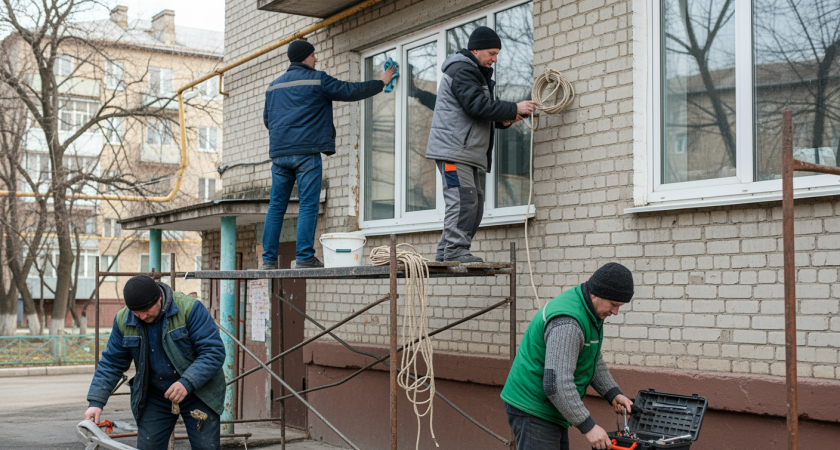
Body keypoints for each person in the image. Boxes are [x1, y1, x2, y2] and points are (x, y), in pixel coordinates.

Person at [261, 40, 397, 270]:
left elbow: (268, 120)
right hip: (306, 154)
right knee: (308, 205)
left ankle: (267, 261)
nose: (316, 59)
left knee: (276, 207)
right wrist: (380, 82)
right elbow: (350, 91)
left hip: (280, 155)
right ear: (304, 57)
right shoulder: (317, 79)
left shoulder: (273, 87)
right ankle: (304, 258)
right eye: (313, 55)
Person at [425, 26, 538, 263]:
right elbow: (476, 106)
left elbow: (478, 114)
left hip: (464, 152)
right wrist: (514, 107)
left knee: (473, 203)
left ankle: (447, 251)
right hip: (453, 152)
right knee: (463, 199)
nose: (495, 59)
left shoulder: (475, 72)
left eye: (497, 54)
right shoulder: (462, 71)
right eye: (491, 53)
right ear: (475, 50)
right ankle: (455, 251)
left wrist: (505, 119)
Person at [501, 263, 636, 450]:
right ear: (595, 293)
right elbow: (556, 384)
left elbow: (591, 359)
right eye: (613, 304)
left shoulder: (591, 312)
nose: (615, 312)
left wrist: (613, 393)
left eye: (619, 306)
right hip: (533, 409)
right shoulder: (569, 323)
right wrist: (588, 426)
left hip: (551, 408)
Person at [85, 275, 226, 450]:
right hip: (155, 394)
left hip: (199, 391)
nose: (142, 316)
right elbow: (111, 363)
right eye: (136, 313)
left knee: (206, 447)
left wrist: (187, 382)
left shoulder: (190, 309)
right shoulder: (123, 320)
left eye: (146, 310)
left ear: (159, 297)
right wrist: (96, 403)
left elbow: (213, 352)